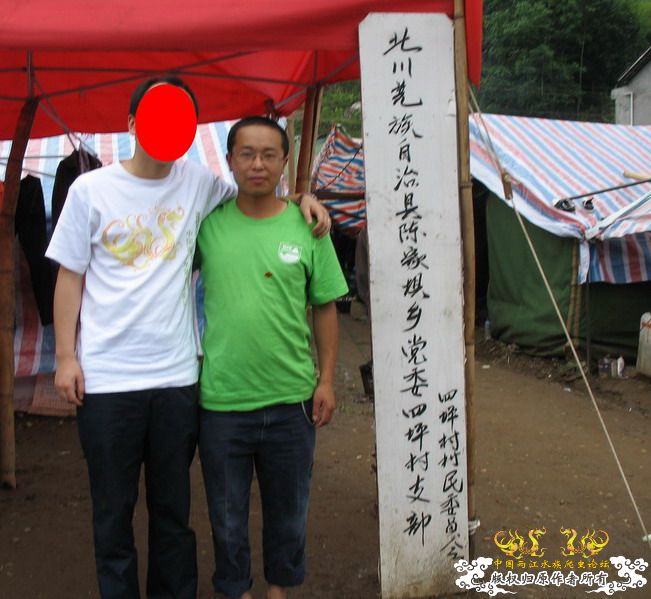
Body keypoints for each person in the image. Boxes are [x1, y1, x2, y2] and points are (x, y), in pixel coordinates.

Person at [46, 77, 330, 599]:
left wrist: (303, 198)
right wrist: (66, 356)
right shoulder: (90, 190)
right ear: (132, 124)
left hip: (176, 379)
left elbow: (258, 196)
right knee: (112, 510)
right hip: (107, 382)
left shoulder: (198, 183)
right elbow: (70, 275)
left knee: (172, 510)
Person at [196, 116, 348, 599]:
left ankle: (278, 591)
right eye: (246, 154)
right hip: (222, 401)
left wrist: (326, 380)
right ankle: (236, 590)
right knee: (226, 516)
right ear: (230, 160)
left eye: (268, 154)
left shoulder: (308, 228)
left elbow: (325, 305)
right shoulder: (206, 227)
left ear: (285, 160)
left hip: (291, 401)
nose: (257, 164)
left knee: (289, 512)